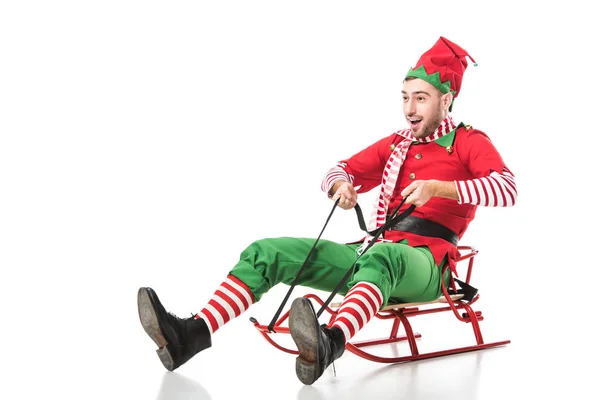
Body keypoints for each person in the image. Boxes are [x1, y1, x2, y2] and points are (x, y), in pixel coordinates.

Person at [137, 36, 518, 385]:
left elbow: (507, 188)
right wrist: (341, 186)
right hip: (373, 252)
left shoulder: (468, 142)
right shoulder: (396, 144)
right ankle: (192, 334)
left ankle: (330, 341)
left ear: (446, 100)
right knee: (268, 251)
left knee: (385, 255)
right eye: (404, 97)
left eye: (420, 98)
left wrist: (440, 188)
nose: (409, 108)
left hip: (427, 263)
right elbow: (338, 170)